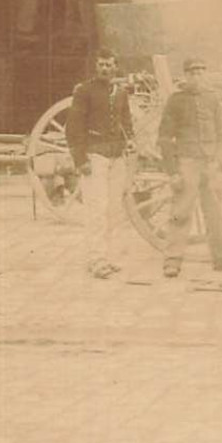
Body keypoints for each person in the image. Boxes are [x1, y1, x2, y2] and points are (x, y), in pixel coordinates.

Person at [157, 56, 222, 277]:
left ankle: (221, 257)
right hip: (187, 163)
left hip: (210, 164)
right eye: (193, 73)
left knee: (216, 214)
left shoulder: (212, 100)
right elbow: (164, 138)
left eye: (201, 72)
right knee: (180, 212)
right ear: (186, 75)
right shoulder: (176, 101)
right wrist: (172, 171)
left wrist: (219, 159)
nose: (197, 77)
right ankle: (172, 260)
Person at [66, 47, 134, 279]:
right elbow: (73, 128)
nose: (105, 68)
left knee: (114, 209)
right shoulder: (84, 91)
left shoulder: (121, 92)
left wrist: (130, 142)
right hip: (95, 156)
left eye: (109, 64)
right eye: (101, 64)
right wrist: (80, 159)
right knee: (97, 209)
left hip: (117, 156)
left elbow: (127, 121)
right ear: (95, 66)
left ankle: (109, 256)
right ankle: (96, 259)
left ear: (115, 67)